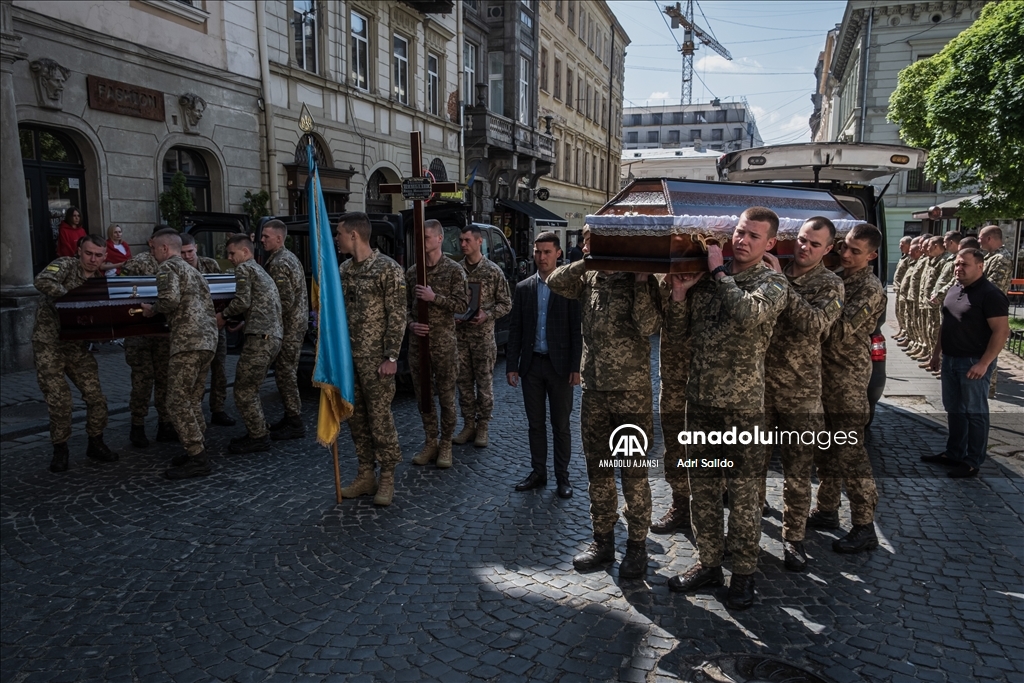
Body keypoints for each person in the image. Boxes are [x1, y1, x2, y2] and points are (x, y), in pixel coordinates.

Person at [664, 207, 788, 611]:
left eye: (754, 235)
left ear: (770, 243)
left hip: (742, 408)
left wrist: (719, 274)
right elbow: (681, 338)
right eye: (739, 231)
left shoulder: (770, 283)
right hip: (699, 402)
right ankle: (709, 563)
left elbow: (748, 315)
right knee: (703, 491)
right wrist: (681, 296)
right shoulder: (708, 279)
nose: (743, 240)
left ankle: (745, 573)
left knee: (744, 494)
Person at [547, 226, 661, 580]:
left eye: (594, 241)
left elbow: (649, 325)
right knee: (598, 470)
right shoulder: (589, 277)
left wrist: (641, 280)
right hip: (594, 390)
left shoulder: (637, 278)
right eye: (585, 242)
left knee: (633, 472)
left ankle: (637, 546)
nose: (586, 247)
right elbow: (554, 281)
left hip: (630, 393)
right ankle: (603, 540)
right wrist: (587, 261)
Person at [761, 217, 845, 572]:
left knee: (797, 472)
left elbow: (815, 325)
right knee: (751, 465)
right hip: (761, 387)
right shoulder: (771, 270)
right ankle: (747, 530)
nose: (804, 247)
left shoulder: (831, 284)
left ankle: (793, 539)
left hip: (801, 392)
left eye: (813, 244)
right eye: (801, 240)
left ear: (828, 249)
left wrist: (780, 281)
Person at [807, 224, 887, 553]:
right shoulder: (839, 277)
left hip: (848, 380)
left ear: (872, 255)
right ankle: (827, 509)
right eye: (845, 247)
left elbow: (839, 331)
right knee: (826, 447)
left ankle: (864, 525)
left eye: (856, 251)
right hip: (826, 375)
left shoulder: (869, 288)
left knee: (851, 453)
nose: (847, 254)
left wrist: (814, 312)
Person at [334, 213, 407, 505]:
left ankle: (387, 475)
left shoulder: (388, 269)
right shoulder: (342, 270)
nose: (337, 238)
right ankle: (366, 473)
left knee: (380, 419)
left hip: (376, 359)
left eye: (339, 233)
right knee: (355, 417)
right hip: (348, 359)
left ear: (354, 235)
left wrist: (391, 356)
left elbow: (398, 315)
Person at [507, 232, 582, 499]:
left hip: (560, 367)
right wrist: (511, 365)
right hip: (532, 366)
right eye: (538, 252)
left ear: (558, 254)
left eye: (547, 252)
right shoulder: (524, 287)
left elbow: (577, 329)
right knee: (535, 424)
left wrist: (576, 366)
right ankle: (539, 472)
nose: (541, 257)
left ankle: (563, 477)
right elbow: (516, 328)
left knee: (561, 425)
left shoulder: (569, 287)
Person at [33, 234, 117, 472]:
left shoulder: (100, 279)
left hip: (76, 346)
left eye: (98, 255)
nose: (92, 259)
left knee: (96, 397)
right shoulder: (65, 264)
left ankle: (96, 442)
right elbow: (42, 280)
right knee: (60, 401)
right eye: (88, 253)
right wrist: (74, 298)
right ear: (80, 250)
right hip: (49, 344)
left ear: (105, 256)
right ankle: (60, 449)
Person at [923, 248, 1010, 478]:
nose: (958, 268)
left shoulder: (990, 294)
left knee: (975, 412)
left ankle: (972, 461)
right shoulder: (954, 289)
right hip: (950, 360)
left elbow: (1001, 332)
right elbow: (946, 323)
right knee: (954, 410)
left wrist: (984, 363)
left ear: (980, 266)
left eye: (964, 265)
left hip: (973, 362)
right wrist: (936, 353)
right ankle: (954, 453)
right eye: (957, 264)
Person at [140, 229, 219, 479]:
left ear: (164, 249)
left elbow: (170, 300)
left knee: (176, 400)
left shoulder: (167, 268)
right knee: (193, 398)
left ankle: (198, 457)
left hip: (187, 342)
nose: (151, 253)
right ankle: (196, 447)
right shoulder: (193, 270)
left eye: (153, 249)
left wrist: (151, 310)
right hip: (207, 341)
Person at [406, 219, 469, 469]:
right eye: (420, 238)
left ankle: (445, 444)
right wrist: (411, 324)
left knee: (446, 396)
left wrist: (435, 298)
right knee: (424, 396)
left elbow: (463, 306)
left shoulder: (453, 270)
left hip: (443, 343)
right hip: (418, 344)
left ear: (440, 238)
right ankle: (430, 440)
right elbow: (403, 308)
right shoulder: (412, 272)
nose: (423, 242)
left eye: (427, 237)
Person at [218, 234, 283, 454]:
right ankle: (258, 430)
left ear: (245, 252)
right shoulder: (260, 270)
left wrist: (224, 316)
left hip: (260, 338)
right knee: (251, 387)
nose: (230, 258)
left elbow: (242, 301)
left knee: (244, 389)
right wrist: (244, 322)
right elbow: (261, 303)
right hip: (270, 335)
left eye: (232, 253)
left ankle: (258, 436)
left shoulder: (244, 269)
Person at [452, 225, 512, 448]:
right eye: (461, 240)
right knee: (464, 384)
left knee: (484, 384)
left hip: (483, 338)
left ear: (479, 242)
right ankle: (468, 425)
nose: (463, 244)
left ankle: (483, 426)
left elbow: (506, 303)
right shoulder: (456, 270)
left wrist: (488, 315)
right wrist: (455, 315)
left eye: (467, 240)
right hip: (460, 337)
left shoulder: (493, 271)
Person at [120, 226, 175, 447]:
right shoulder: (137, 263)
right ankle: (137, 426)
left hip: (163, 332)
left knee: (165, 380)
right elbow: (120, 291)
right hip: (140, 331)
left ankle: (165, 424)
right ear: (152, 242)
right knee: (142, 380)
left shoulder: (172, 263)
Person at [180, 233, 235, 427]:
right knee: (195, 373)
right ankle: (194, 412)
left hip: (214, 325)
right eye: (183, 253)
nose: (187, 257)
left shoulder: (210, 265)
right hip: (191, 331)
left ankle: (218, 409)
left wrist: (224, 317)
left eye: (190, 251)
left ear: (196, 248)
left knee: (219, 369)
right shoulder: (176, 270)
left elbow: (223, 292)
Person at [261, 220, 308, 441]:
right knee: (285, 372)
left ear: (279, 238)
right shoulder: (287, 257)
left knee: (285, 374)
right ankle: (290, 416)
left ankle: (295, 421)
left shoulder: (280, 263)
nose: (262, 240)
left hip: (289, 326)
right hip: (294, 325)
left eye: (266, 236)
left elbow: (284, 301)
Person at [980, 225, 1012, 398]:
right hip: (985, 308)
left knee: (991, 346)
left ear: (990, 238)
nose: (978, 241)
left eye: (980, 238)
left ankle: (988, 389)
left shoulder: (1001, 258)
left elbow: (994, 287)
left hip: (993, 309)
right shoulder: (991, 257)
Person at [922, 232, 962, 372]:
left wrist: (939, 294)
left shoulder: (952, 260)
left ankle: (942, 364)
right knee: (933, 330)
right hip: (939, 300)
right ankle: (935, 359)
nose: (944, 245)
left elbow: (953, 281)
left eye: (945, 242)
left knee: (940, 332)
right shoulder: (949, 259)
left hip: (947, 301)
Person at [890, 236, 912, 338]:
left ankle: (906, 332)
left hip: (905, 291)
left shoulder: (910, 259)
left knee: (904, 312)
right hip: (899, 289)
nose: (900, 246)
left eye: (903, 244)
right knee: (898, 311)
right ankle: (901, 329)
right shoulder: (904, 257)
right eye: (900, 244)